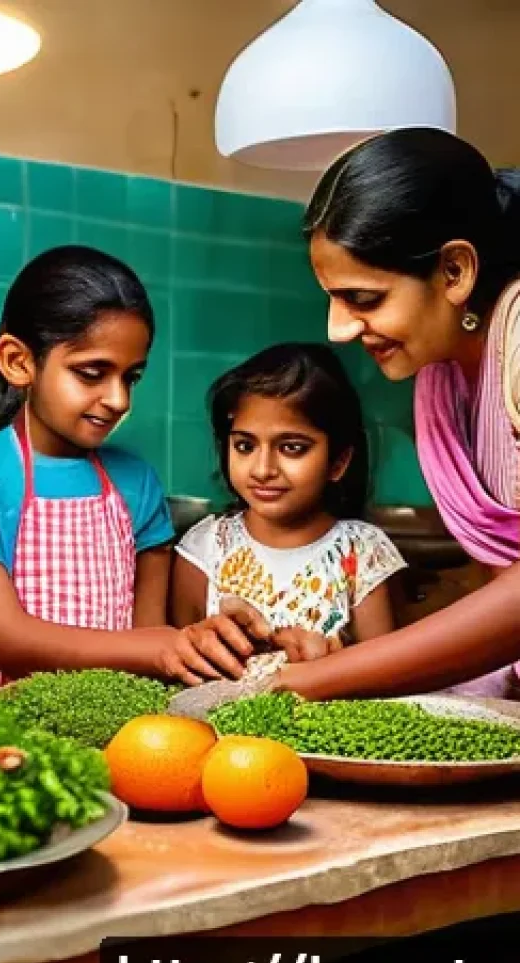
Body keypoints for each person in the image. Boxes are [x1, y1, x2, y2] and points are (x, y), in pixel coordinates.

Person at [190, 126, 520, 706]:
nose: (336, 329)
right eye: (333, 298)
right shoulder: (444, 375)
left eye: (363, 299)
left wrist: (308, 682)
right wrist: (343, 658)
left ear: (454, 272)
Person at [0, 245, 271, 696]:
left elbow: (146, 635)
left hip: (103, 729)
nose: (119, 400)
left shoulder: (138, 483)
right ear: (18, 361)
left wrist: (211, 643)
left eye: (131, 377)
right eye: (92, 373)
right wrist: (160, 647)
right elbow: (5, 639)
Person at [171, 343, 406, 678]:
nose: (263, 469)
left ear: (338, 462)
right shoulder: (206, 547)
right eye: (245, 446)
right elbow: (182, 666)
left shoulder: (364, 552)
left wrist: (328, 663)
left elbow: (387, 677)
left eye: (292, 448)